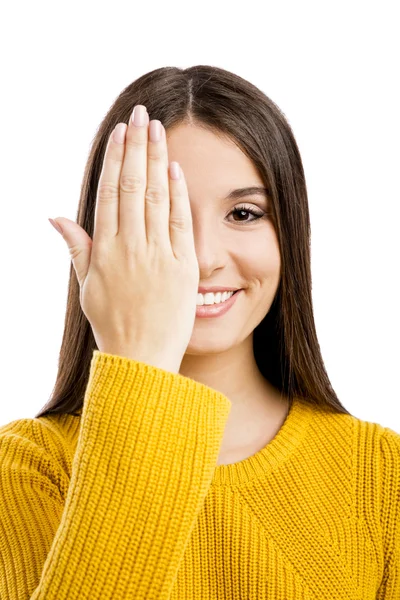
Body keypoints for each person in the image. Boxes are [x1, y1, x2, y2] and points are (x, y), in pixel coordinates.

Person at [0, 65, 398, 599]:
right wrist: (139, 363)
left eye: (243, 212)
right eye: (165, 216)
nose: (204, 259)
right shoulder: (30, 469)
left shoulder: (379, 474)